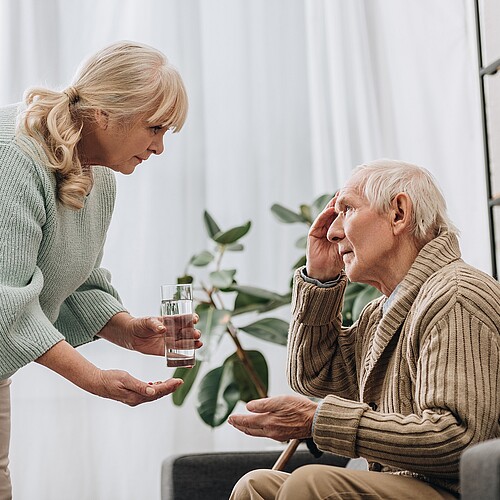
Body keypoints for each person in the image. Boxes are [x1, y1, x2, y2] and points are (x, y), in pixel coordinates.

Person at [228, 159, 500, 499]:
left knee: (310, 483)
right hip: (406, 486)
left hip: (454, 489)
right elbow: (312, 374)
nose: (332, 231)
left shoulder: (456, 296)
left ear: (399, 213)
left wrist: (319, 421)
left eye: (348, 210)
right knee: (257, 486)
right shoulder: (382, 312)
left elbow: (457, 437)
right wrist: (321, 279)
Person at [0, 40, 202, 499]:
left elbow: (76, 278)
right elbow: (5, 299)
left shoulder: (99, 174)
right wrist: (95, 379)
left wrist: (129, 330)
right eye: (155, 127)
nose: (159, 147)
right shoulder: (12, 156)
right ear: (106, 113)